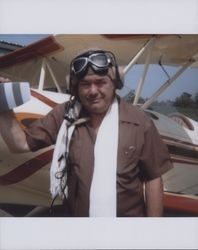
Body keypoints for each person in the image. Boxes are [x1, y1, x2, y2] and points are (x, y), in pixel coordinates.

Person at [0, 49, 173, 217]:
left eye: (100, 82)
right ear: (75, 87)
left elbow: (153, 179)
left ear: (115, 83)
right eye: (85, 84)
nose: (92, 91)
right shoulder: (64, 115)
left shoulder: (140, 122)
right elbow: (20, 144)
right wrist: (4, 106)